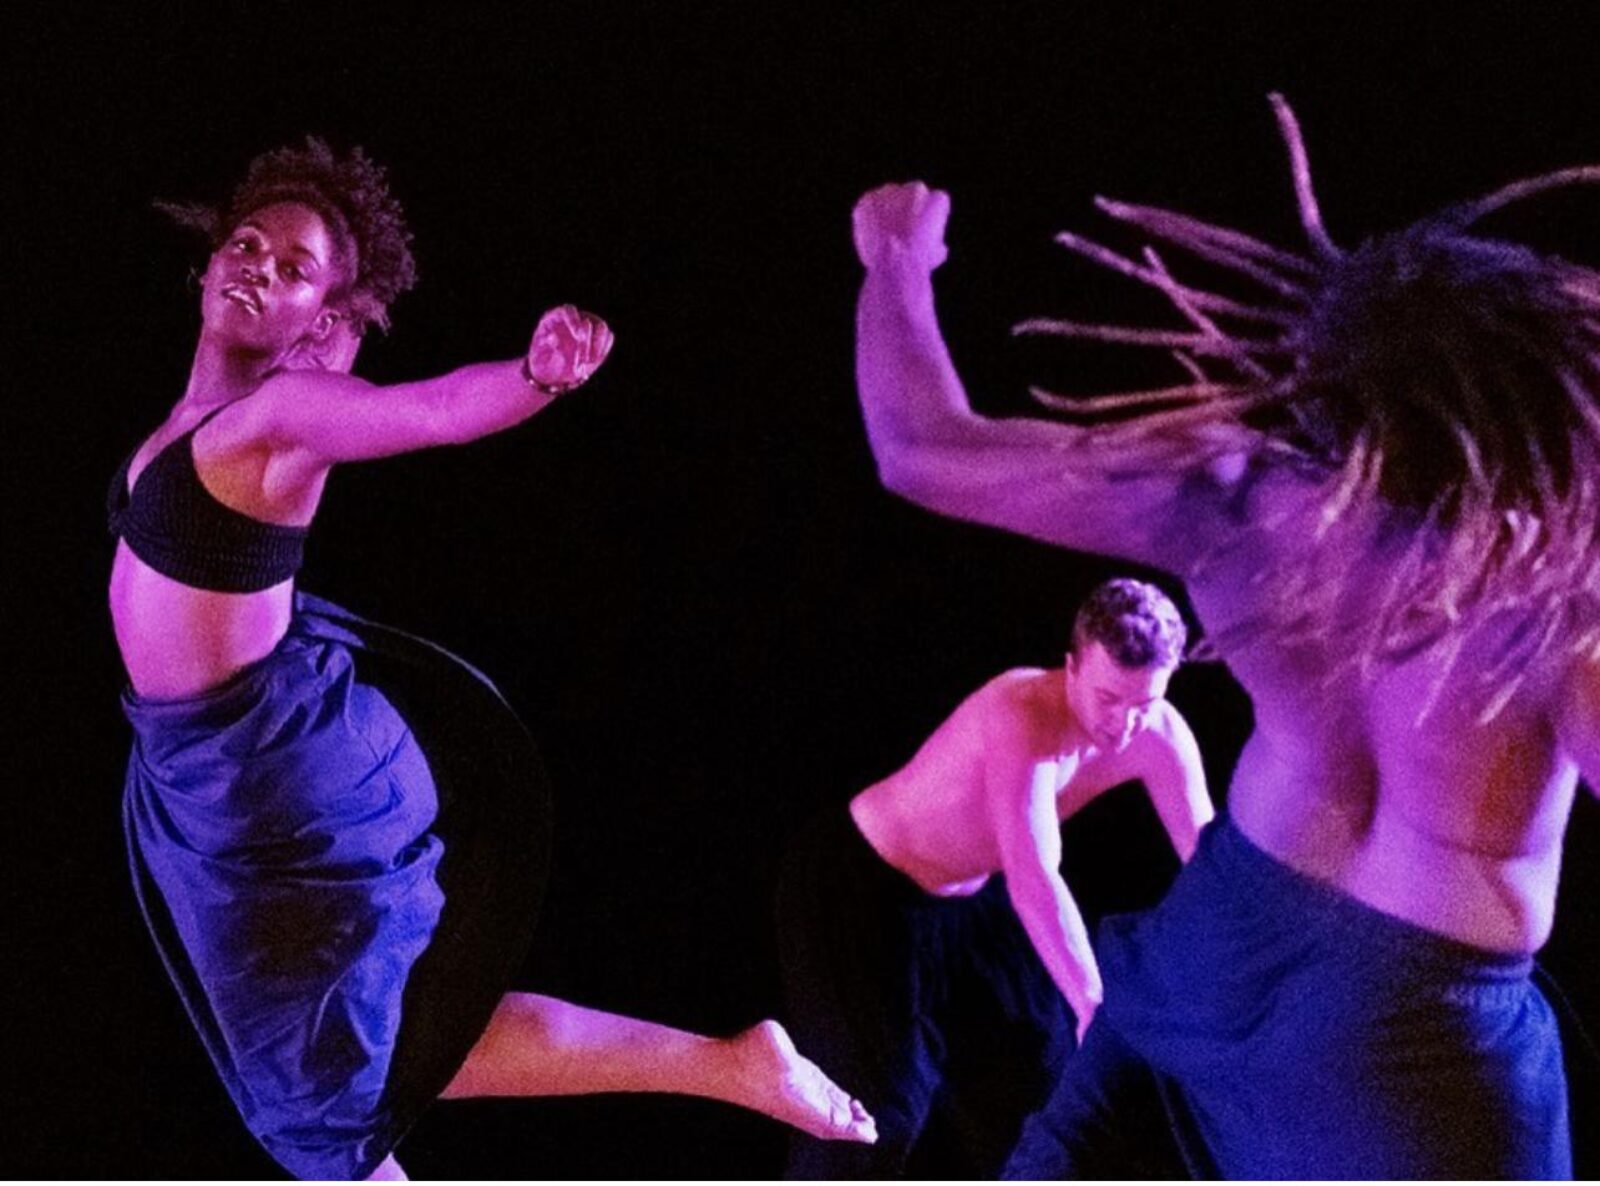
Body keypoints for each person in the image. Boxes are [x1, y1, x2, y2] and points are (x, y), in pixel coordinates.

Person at [849, 94, 1598, 1178]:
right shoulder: (1552, 597)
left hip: (1206, 960)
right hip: (1405, 1041)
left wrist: (895, 263)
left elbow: (918, 448)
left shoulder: (1236, 491)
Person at [110, 138, 874, 1181]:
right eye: (246, 243)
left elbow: (419, 411)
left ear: (322, 320)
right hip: (211, 765)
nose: (255, 264)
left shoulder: (280, 419)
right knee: (357, 1054)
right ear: (206, 260)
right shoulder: (198, 414)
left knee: (323, 1076)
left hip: (263, 769)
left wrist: (530, 377)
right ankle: (726, 1062)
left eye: (293, 269)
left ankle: (726, 1065)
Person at [778, 578, 1213, 1178]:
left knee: (1040, 1074)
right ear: (1071, 666)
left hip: (972, 900)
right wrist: (1092, 1001)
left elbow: (1210, 864)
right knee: (875, 1112)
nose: (1125, 724)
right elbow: (1035, 875)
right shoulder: (1022, 712)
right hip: (863, 886)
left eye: (1144, 703)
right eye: (1109, 698)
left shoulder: (1159, 735)